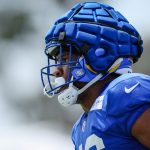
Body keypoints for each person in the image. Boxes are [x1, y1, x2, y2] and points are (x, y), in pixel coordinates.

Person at [41, 2, 150, 149]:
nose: (56, 71)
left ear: (100, 55)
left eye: (65, 59)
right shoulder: (79, 128)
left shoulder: (128, 93)